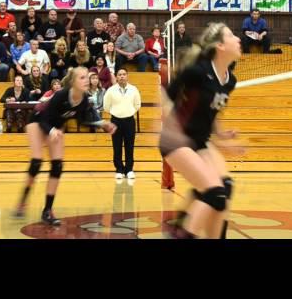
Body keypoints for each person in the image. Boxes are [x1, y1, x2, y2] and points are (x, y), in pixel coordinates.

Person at [160, 22, 241, 239]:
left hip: (200, 140)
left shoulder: (230, 80)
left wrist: (223, 136)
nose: (239, 39)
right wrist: (162, 124)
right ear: (220, 46)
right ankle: (182, 231)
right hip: (176, 140)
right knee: (214, 193)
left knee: (225, 188)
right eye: (232, 36)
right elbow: (167, 93)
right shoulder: (198, 71)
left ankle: (184, 219)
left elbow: (210, 112)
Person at [12, 67, 117, 224]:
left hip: (55, 127)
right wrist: (52, 130)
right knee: (37, 162)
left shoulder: (83, 99)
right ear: (73, 82)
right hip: (37, 119)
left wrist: (101, 123)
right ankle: (23, 200)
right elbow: (44, 119)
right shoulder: (61, 95)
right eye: (82, 78)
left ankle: (47, 211)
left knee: (58, 166)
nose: (86, 80)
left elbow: (81, 121)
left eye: (87, 77)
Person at [103, 67, 142, 181]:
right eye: (119, 74)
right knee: (117, 146)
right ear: (116, 77)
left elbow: (137, 104)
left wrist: (129, 112)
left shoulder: (134, 89)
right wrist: (116, 113)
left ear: (127, 76)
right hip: (115, 121)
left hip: (129, 120)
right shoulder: (111, 90)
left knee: (130, 146)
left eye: (124, 74)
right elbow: (106, 106)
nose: (122, 76)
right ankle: (119, 169)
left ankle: (129, 169)